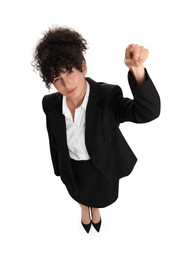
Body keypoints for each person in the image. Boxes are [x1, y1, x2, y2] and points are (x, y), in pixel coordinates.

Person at [32, 26, 160, 233]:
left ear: (82, 66)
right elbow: (53, 139)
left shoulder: (108, 97)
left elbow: (148, 112)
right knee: (78, 193)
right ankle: (84, 210)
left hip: (100, 168)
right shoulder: (50, 104)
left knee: (99, 197)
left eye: (69, 71)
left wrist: (137, 70)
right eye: (56, 79)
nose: (66, 83)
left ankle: (96, 210)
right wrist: (59, 169)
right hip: (73, 168)